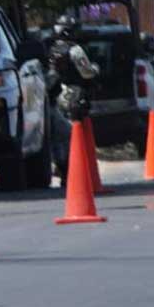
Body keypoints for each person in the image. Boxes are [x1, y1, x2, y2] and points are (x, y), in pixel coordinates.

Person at [46, 14, 99, 184]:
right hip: (73, 96)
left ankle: (61, 169)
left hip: (54, 99)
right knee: (72, 135)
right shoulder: (75, 50)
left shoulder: (49, 50)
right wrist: (96, 69)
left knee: (57, 137)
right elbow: (87, 72)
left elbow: (48, 78)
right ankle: (71, 172)